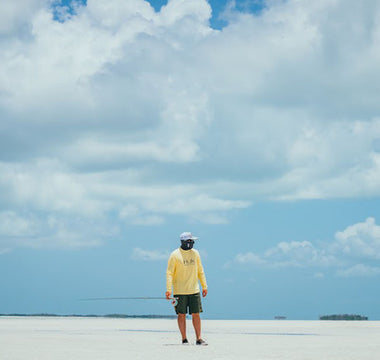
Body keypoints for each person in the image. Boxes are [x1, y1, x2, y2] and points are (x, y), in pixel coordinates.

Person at [166, 232, 208, 345]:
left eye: (192, 241)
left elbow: (200, 270)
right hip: (180, 291)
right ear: (184, 242)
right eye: (190, 241)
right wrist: (169, 289)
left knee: (196, 314)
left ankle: (199, 338)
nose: (192, 243)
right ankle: (184, 339)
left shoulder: (196, 253)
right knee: (181, 314)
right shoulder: (174, 255)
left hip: (194, 290)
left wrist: (204, 286)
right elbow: (169, 273)